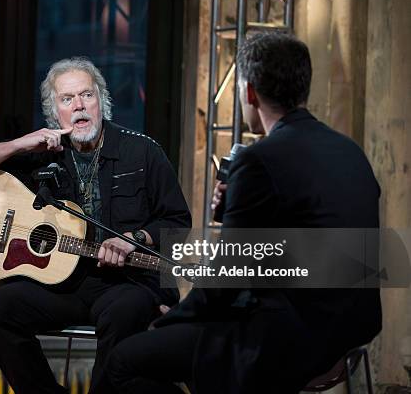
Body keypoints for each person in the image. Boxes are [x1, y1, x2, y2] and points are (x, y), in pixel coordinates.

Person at [106, 32, 382, 393]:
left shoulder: (260, 160)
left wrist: (172, 319)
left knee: (122, 362)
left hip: (287, 335)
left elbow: (225, 281)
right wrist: (236, 210)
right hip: (350, 329)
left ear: (249, 92)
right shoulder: (350, 152)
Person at [0, 57, 192, 393]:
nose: (79, 106)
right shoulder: (42, 153)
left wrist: (135, 238)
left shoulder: (143, 152)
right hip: (64, 285)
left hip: (128, 282)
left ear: (101, 101)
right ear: (55, 114)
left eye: (86, 95)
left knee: (126, 310)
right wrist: (23, 143)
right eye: (67, 99)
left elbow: (178, 223)